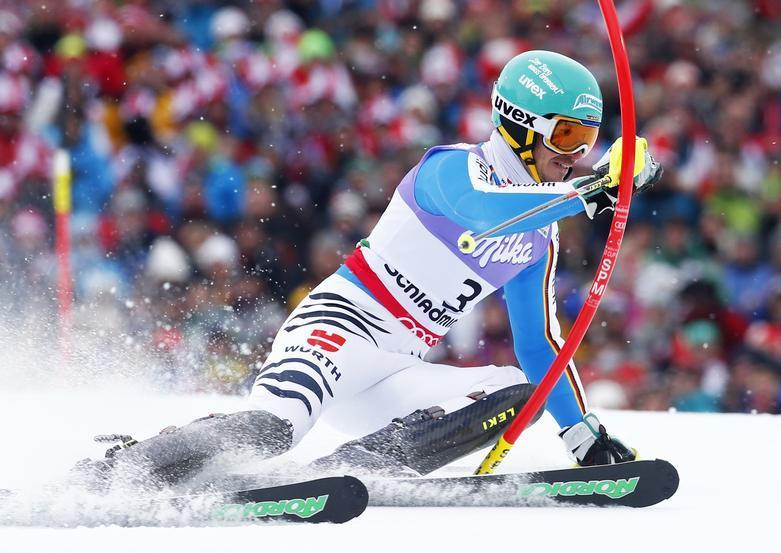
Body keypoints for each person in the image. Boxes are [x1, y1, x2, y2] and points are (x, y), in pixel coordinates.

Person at [79, 51, 662, 487]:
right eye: (564, 134)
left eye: (586, 139)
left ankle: (358, 470)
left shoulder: (542, 230)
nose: (574, 153)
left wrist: (581, 435)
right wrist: (592, 192)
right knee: (270, 430)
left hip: (395, 369)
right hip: (337, 331)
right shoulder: (451, 170)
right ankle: (125, 467)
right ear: (517, 120)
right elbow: (485, 216)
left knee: (516, 390)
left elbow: (540, 344)